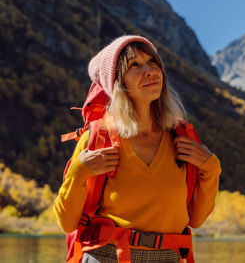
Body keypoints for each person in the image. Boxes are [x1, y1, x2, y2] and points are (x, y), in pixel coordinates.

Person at [53, 35, 221, 263]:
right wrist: (78, 172)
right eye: (134, 65)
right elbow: (67, 222)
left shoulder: (182, 138)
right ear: (118, 83)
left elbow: (196, 219)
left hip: (168, 257)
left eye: (153, 62)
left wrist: (211, 168)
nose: (150, 70)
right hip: (106, 256)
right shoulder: (99, 138)